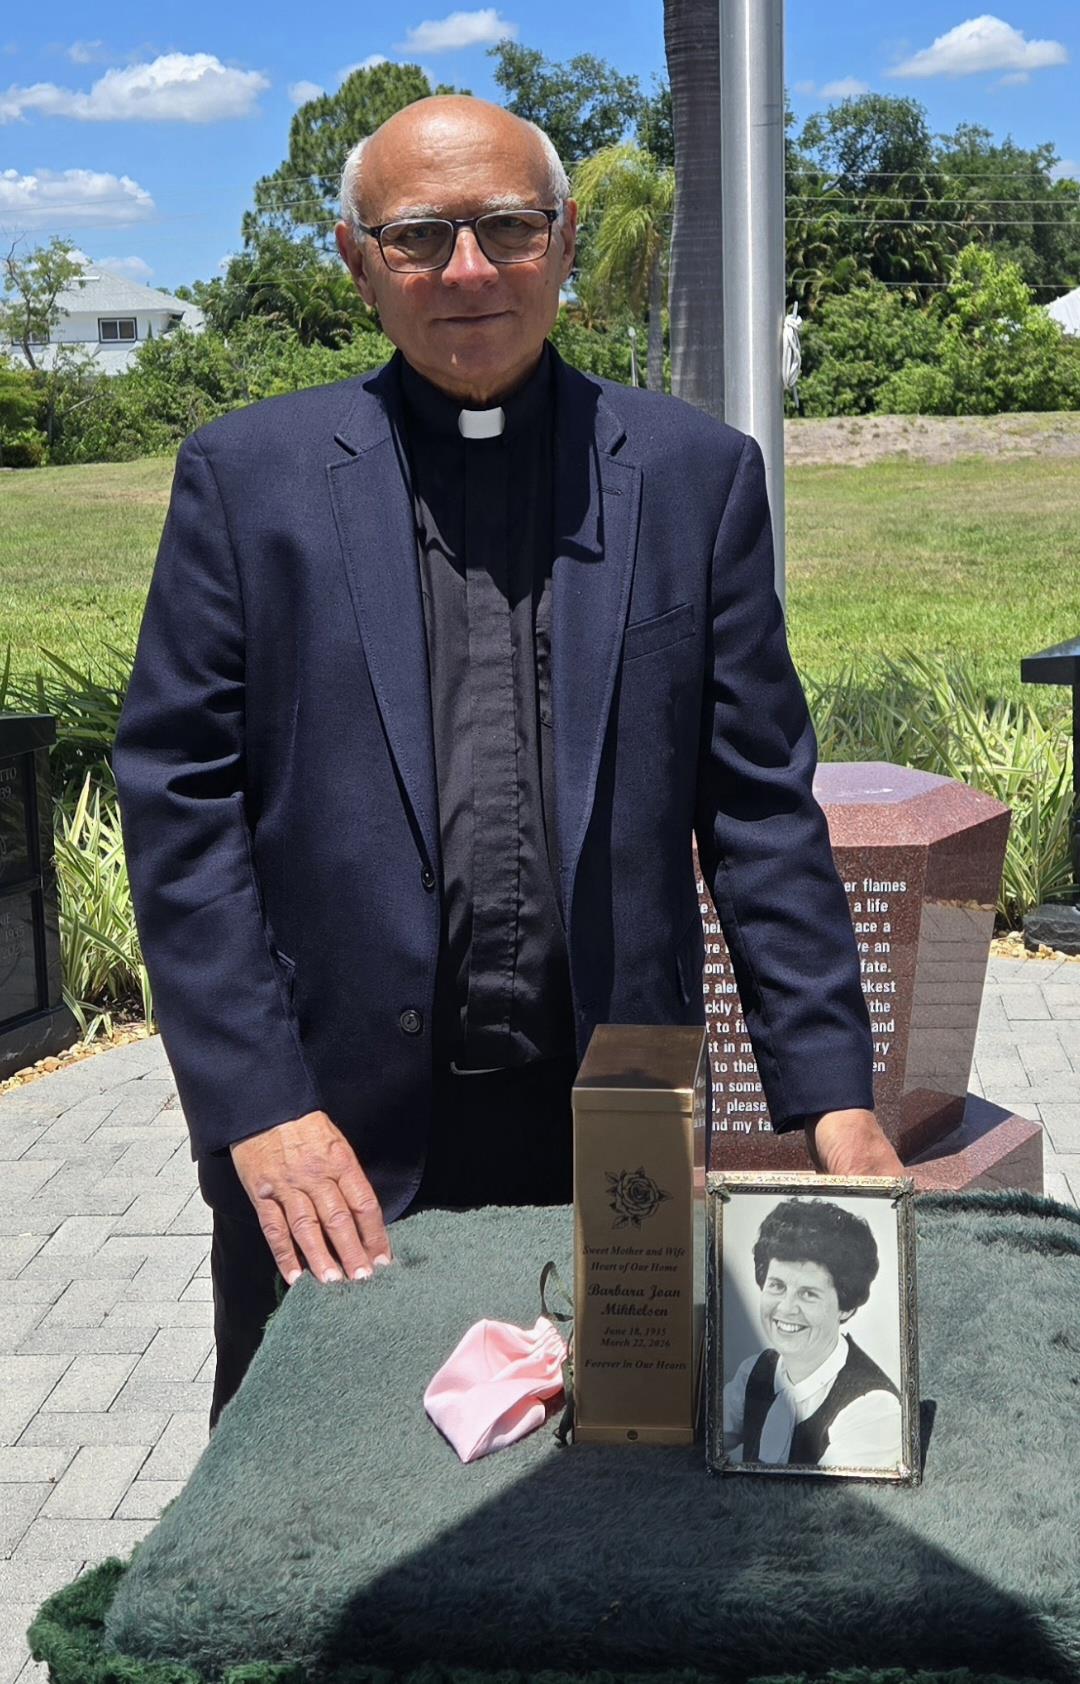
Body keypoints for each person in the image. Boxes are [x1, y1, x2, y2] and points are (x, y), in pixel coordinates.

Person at [112, 95, 903, 1429]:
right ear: (361, 261)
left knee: (603, 1528)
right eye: (420, 236)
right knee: (309, 1517)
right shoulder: (251, 483)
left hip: (610, 1130)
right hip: (332, 1138)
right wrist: (258, 1102)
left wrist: (831, 1095)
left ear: (566, 241)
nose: (468, 270)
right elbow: (179, 809)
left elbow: (761, 807)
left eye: (507, 227)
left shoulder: (693, 477)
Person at [723, 1198, 902, 1469]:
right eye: (777, 1286)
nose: (786, 1308)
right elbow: (704, 1442)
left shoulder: (873, 1407)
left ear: (846, 1306)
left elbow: (824, 1504)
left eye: (808, 1294)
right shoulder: (754, 1372)